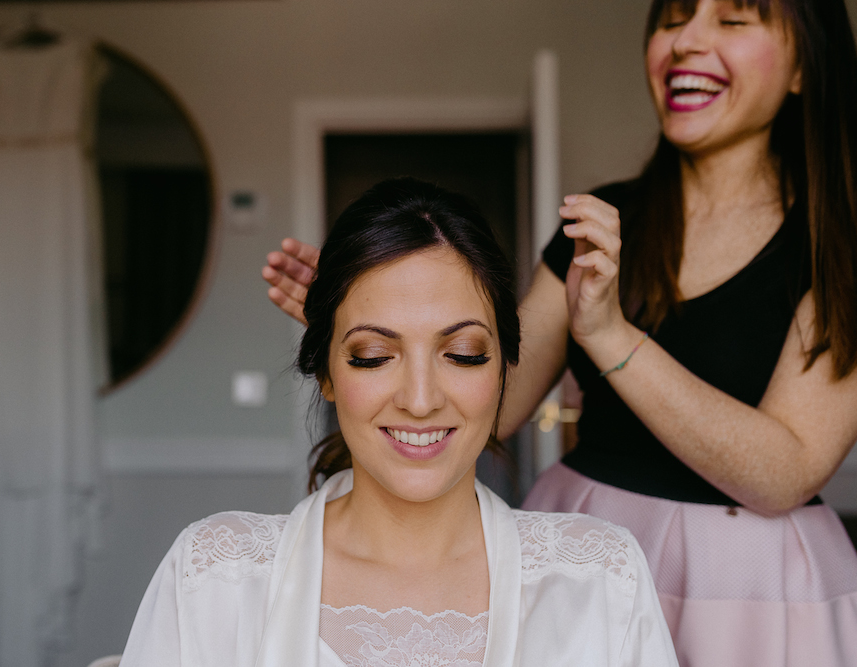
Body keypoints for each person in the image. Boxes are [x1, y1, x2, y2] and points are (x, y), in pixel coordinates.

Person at [261, 2, 857, 665]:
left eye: (733, 20)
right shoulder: (603, 218)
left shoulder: (840, 243)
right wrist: (385, 330)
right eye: (673, 18)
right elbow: (498, 404)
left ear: (806, 64)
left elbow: (785, 471)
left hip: (748, 582)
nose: (686, 41)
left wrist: (607, 334)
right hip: (583, 529)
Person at [121, 179, 678, 666]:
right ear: (327, 374)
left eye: (462, 353)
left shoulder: (599, 581)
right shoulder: (216, 580)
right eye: (372, 356)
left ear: (506, 369)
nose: (419, 399)